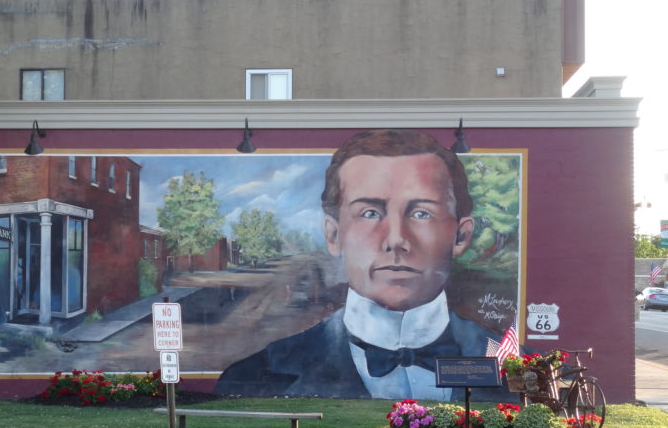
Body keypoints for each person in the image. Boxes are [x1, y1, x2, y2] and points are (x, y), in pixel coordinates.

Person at [215, 129, 503, 401]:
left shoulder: (517, 370)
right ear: (333, 234)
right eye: (369, 213)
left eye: (421, 213)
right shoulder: (255, 376)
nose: (396, 240)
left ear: (461, 235)